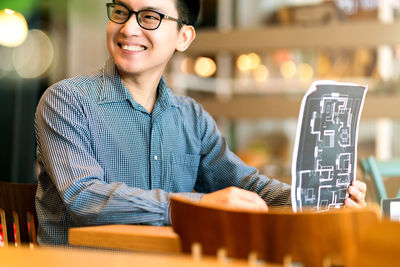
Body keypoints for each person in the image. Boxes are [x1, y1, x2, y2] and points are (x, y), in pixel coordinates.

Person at [34, 0, 367, 246]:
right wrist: (200, 206)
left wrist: (316, 200)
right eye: (121, 12)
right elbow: (84, 198)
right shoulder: (66, 101)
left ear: (184, 37)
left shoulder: (191, 118)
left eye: (149, 17)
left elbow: (249, 186)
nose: (128, 28)